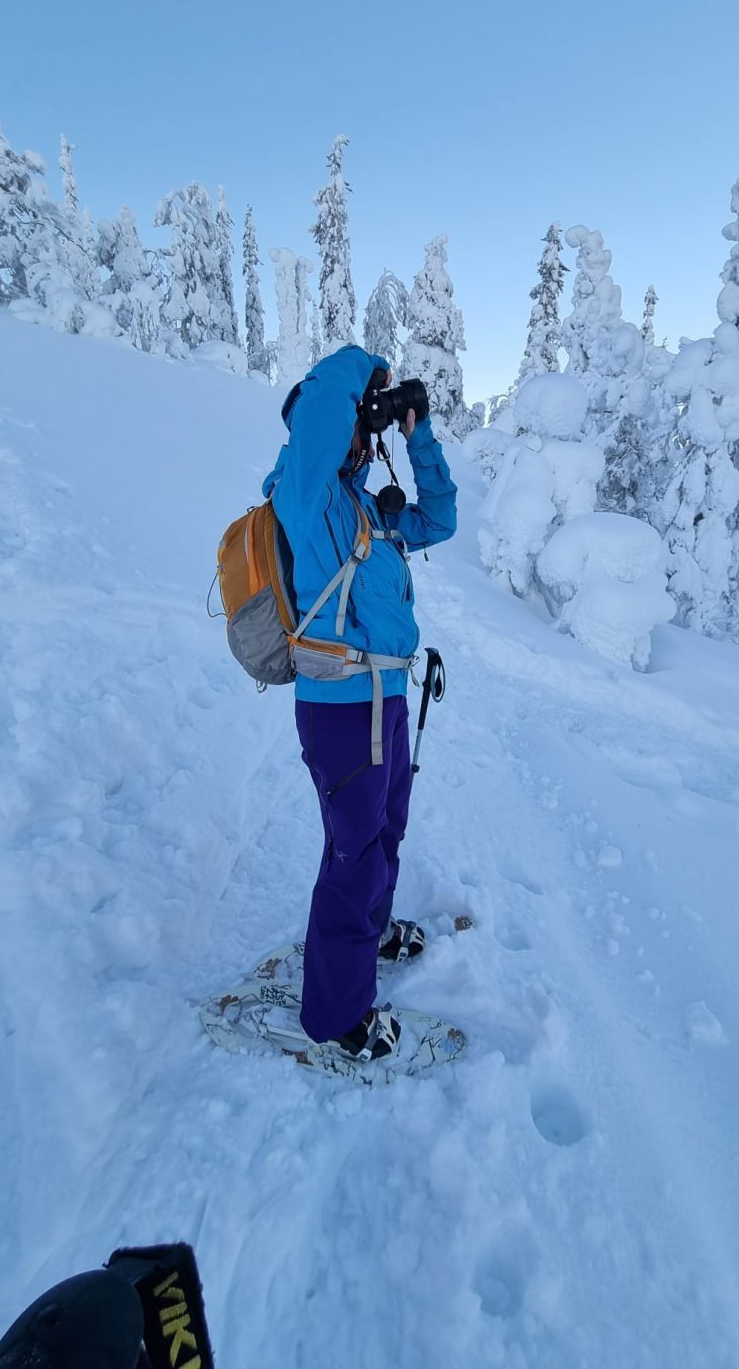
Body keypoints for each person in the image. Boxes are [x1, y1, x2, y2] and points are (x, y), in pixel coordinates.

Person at [262, 345, 458, 1062]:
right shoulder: (304, 497)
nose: (358, 433)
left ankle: (368, 937)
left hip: (387, 700)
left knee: (383, 833)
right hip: (342, 709)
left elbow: (440, 519)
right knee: (352, 855)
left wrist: (416, 430)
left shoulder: (364, 509)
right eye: (352, 421)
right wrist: (365, 368)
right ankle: (337, 1017)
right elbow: (319, 406)